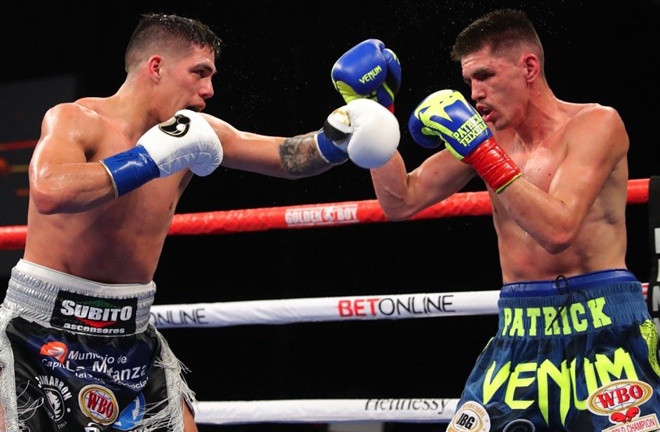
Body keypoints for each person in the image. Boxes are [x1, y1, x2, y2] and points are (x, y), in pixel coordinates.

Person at [0, 13, 401, 432]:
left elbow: (288, 158)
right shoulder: (77, 119)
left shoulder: (198, 131)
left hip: (130, 335)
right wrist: (147, 160)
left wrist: (345, 130)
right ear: (156, 67)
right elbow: (49, 191)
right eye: (199, 73)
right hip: (41, 328)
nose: (209, 90)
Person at [332, 8, 660, 432]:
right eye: (469, 81)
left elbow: (558, 229)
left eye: (485, 76)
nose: (474, 93)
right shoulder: (488, 137)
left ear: (529, 67)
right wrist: (375, 114)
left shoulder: (596, 124)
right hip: (521, 329)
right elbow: (402, 200)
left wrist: (481, 151)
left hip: (606, 328)